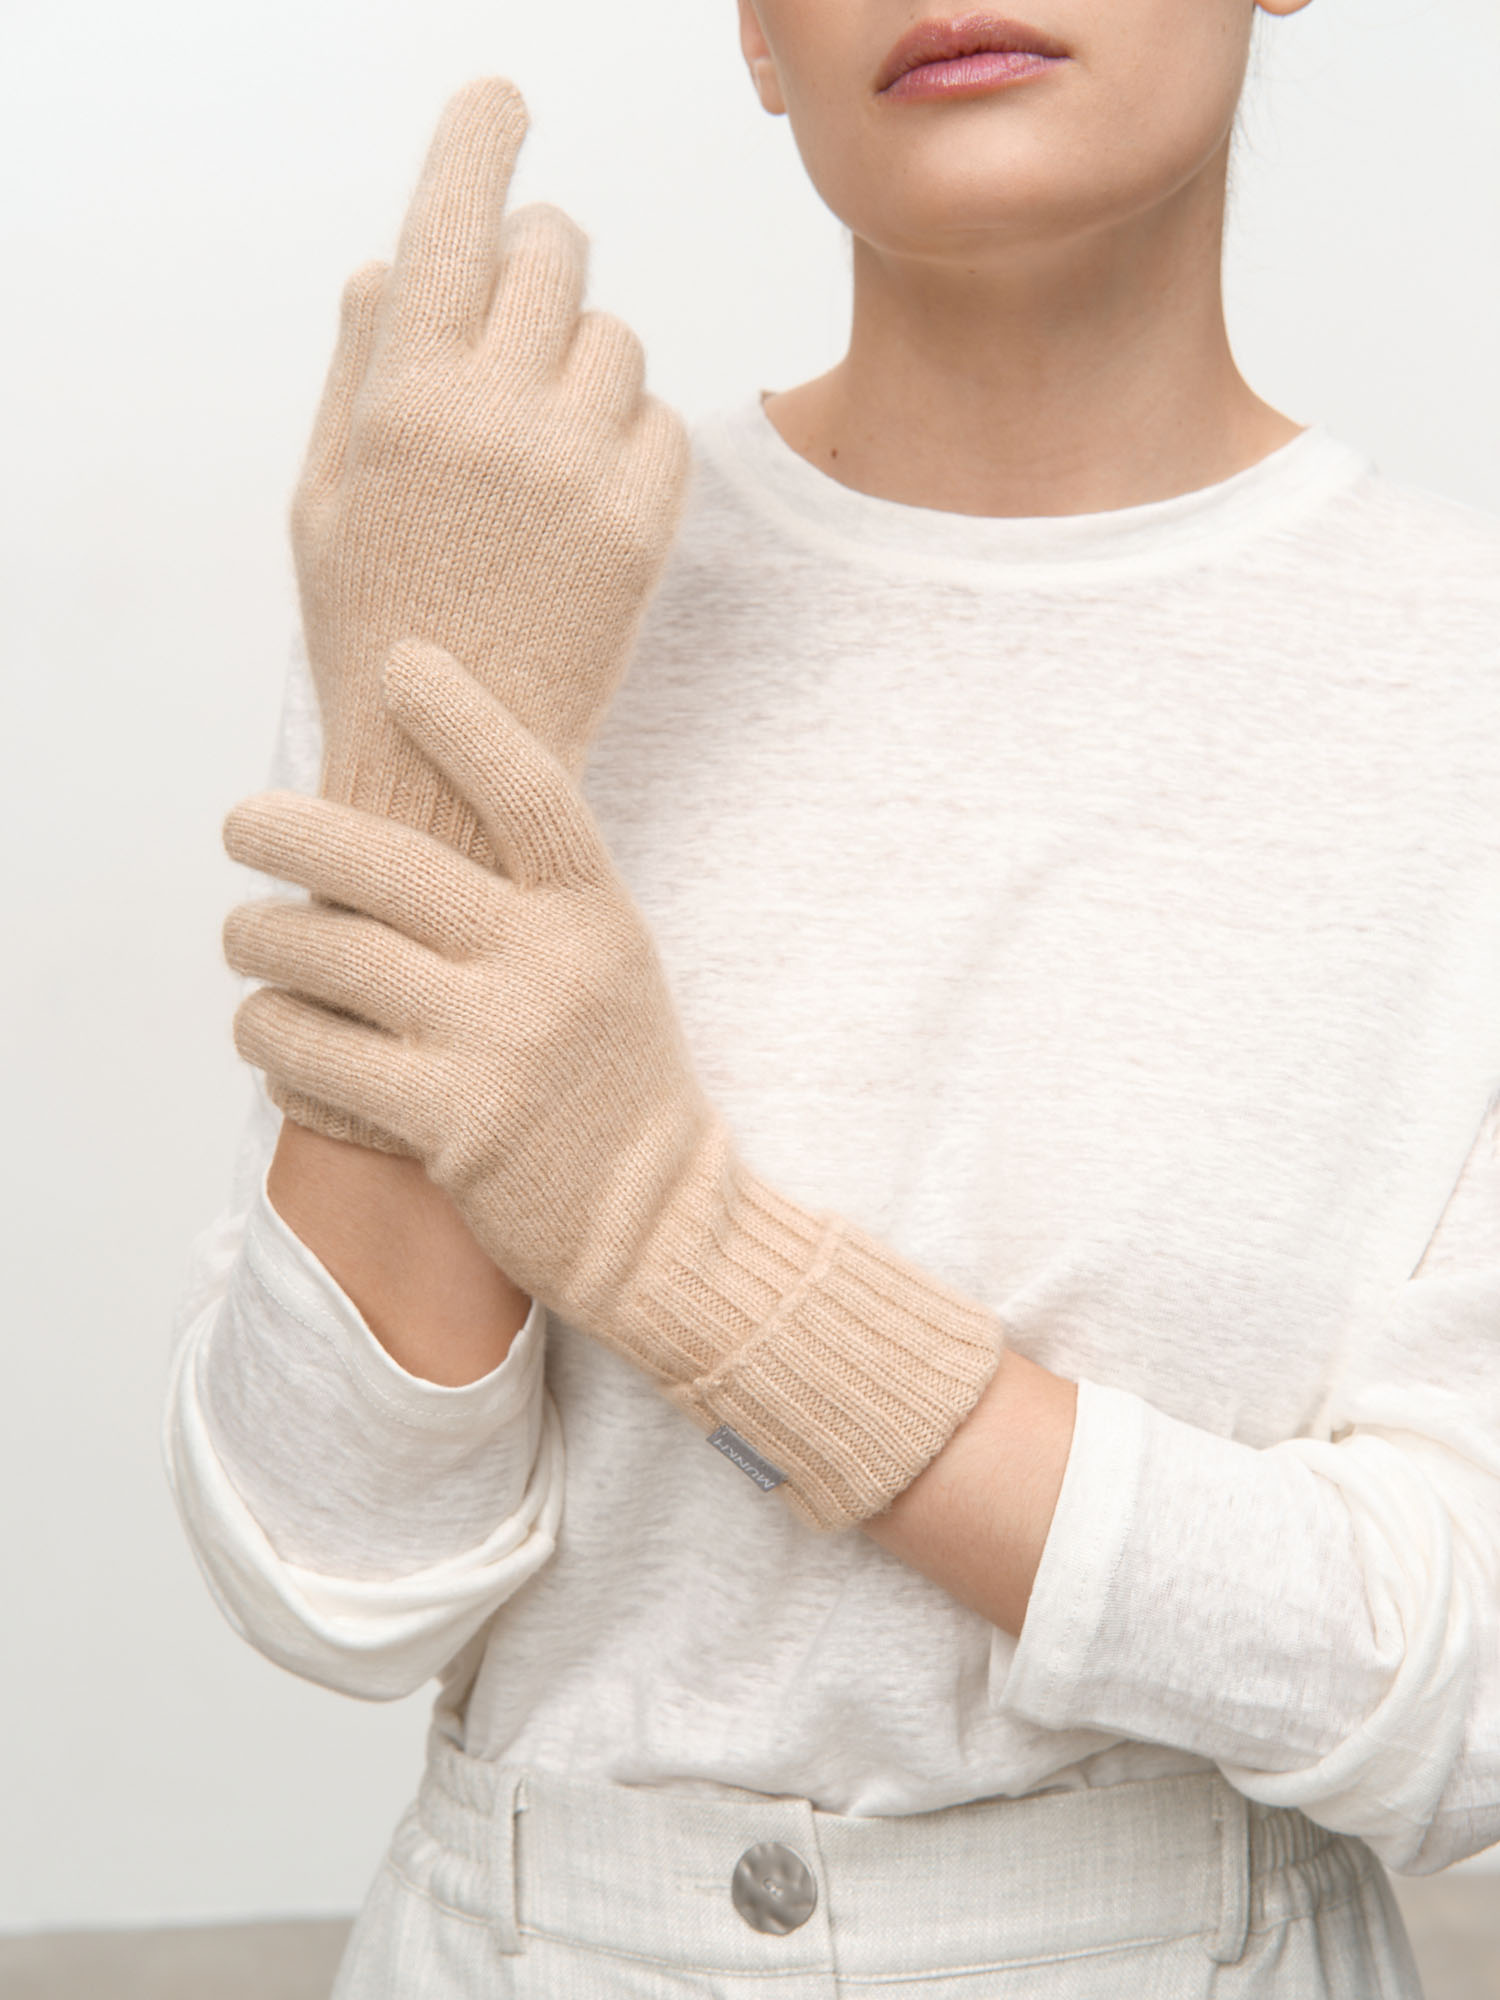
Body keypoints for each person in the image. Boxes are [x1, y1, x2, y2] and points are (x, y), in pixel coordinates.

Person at [165, 3, 1500, 1994]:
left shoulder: (1461, 688)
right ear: (755, 32)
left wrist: (688, 1254)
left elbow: (1463, 1694)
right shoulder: (508, 563)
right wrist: (425, 748)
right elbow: (330, 1572)